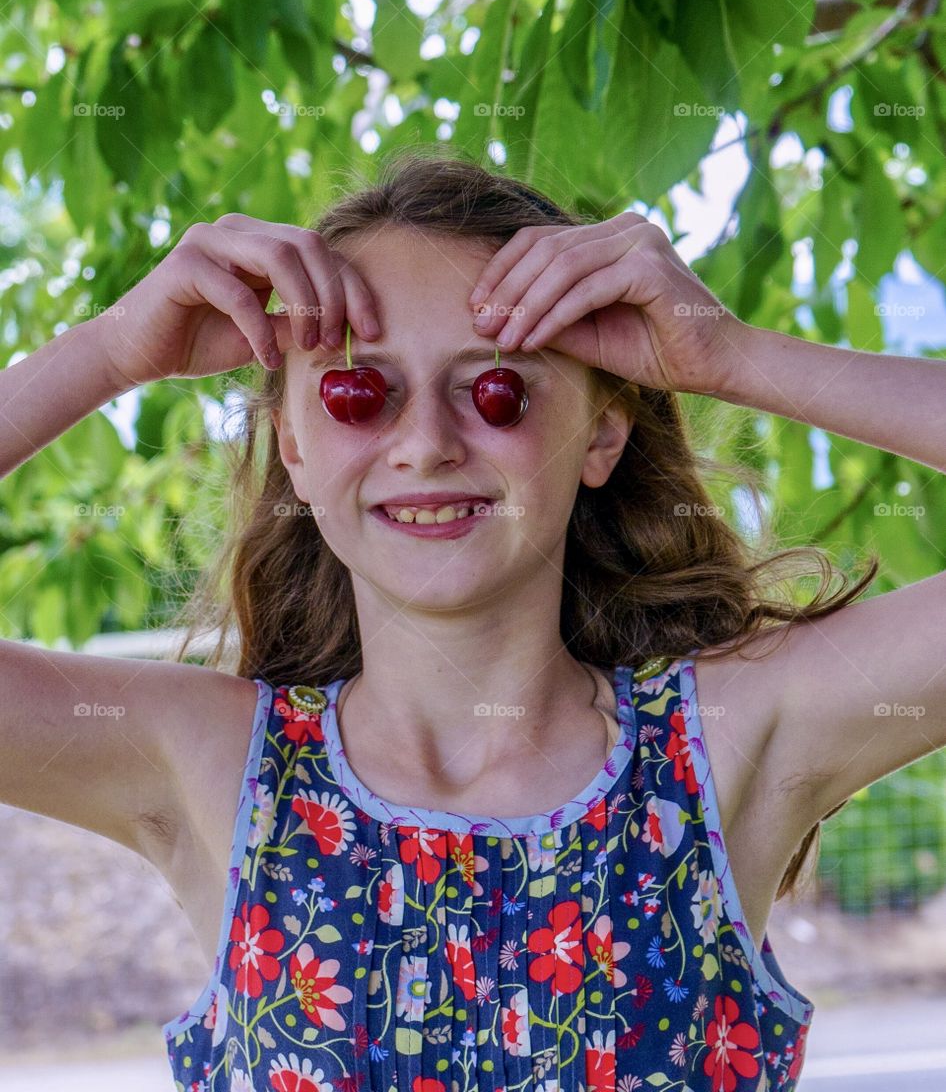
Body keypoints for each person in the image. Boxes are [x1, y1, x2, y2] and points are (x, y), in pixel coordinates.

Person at [3, 148, 945, 1092]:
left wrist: (731, 354)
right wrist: (115, 348)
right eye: (357, 390)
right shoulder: (214, 763)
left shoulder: (730, 742)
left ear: (602, 433)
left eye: (496, 389)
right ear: (292, 443)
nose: (426, 444)